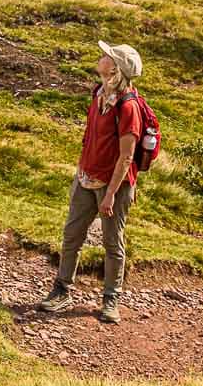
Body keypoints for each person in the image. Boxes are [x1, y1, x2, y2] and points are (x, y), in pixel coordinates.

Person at [39, 41, 145, 324]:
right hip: (86, 177)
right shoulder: (99, 92)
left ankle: (111, 300)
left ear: (116, 69)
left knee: (113, 243)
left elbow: (126, 157)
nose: (101, 58)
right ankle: (61, 291)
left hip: (114, 185)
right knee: (72, 234)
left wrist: (110, 194)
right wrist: (81, 171)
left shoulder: (129, 107)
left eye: (107, 56)